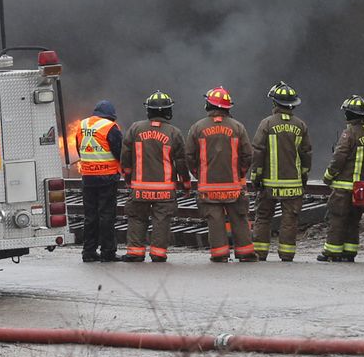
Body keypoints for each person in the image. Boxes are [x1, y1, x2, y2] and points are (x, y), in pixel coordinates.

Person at [186, 86, 257, 262]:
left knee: (215, 221)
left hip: (208, 187)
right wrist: (240, 172)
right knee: (239, 218)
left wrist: (198, 174)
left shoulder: (197, 128)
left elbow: (189, 156)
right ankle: (246, 253)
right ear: (227, 107)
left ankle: (220, 255)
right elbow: (248, 155)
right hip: (233, 186)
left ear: (208, 105)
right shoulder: (238, 127)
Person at [119, 90, 190, 263]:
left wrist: (128, 178)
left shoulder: (135, 128)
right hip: (164, 190)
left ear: (149, 110)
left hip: (140, 188)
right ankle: (158, 253)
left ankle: (135, 253)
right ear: (168, 111)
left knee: (137, 218)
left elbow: (126, 156)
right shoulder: (174, 132)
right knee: (162, 221)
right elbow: (181, 161)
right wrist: (186, 182)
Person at [250, 81, 311, 261]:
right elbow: (306, 153)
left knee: (263, 217)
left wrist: (256, 176)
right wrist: (304, 176)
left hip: (269, 184)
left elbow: (258, 151)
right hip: (293, 184)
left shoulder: (266, 124)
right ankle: (287, 254)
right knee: (289, 220)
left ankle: (260, 252)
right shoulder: (301, 125)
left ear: (275, 103)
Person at [319, 95, 364, 263]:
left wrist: (328, 177)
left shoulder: (349, 133)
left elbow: (339, 158)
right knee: (353, 221)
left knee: (337, 218)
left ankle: (331, 252)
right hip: (361, 188)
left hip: (344, 187)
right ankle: (349, 252)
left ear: (350, 114)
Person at [75, 99, 122, 263]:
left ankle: (88, 252)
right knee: (106, 215)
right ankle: (107, 252)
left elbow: (79, 147)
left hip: (88, 177)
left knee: (90, 216)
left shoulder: (83, 124)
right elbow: (119, 151)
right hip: (107, 178)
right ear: (111, 115)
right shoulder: (110, 127)